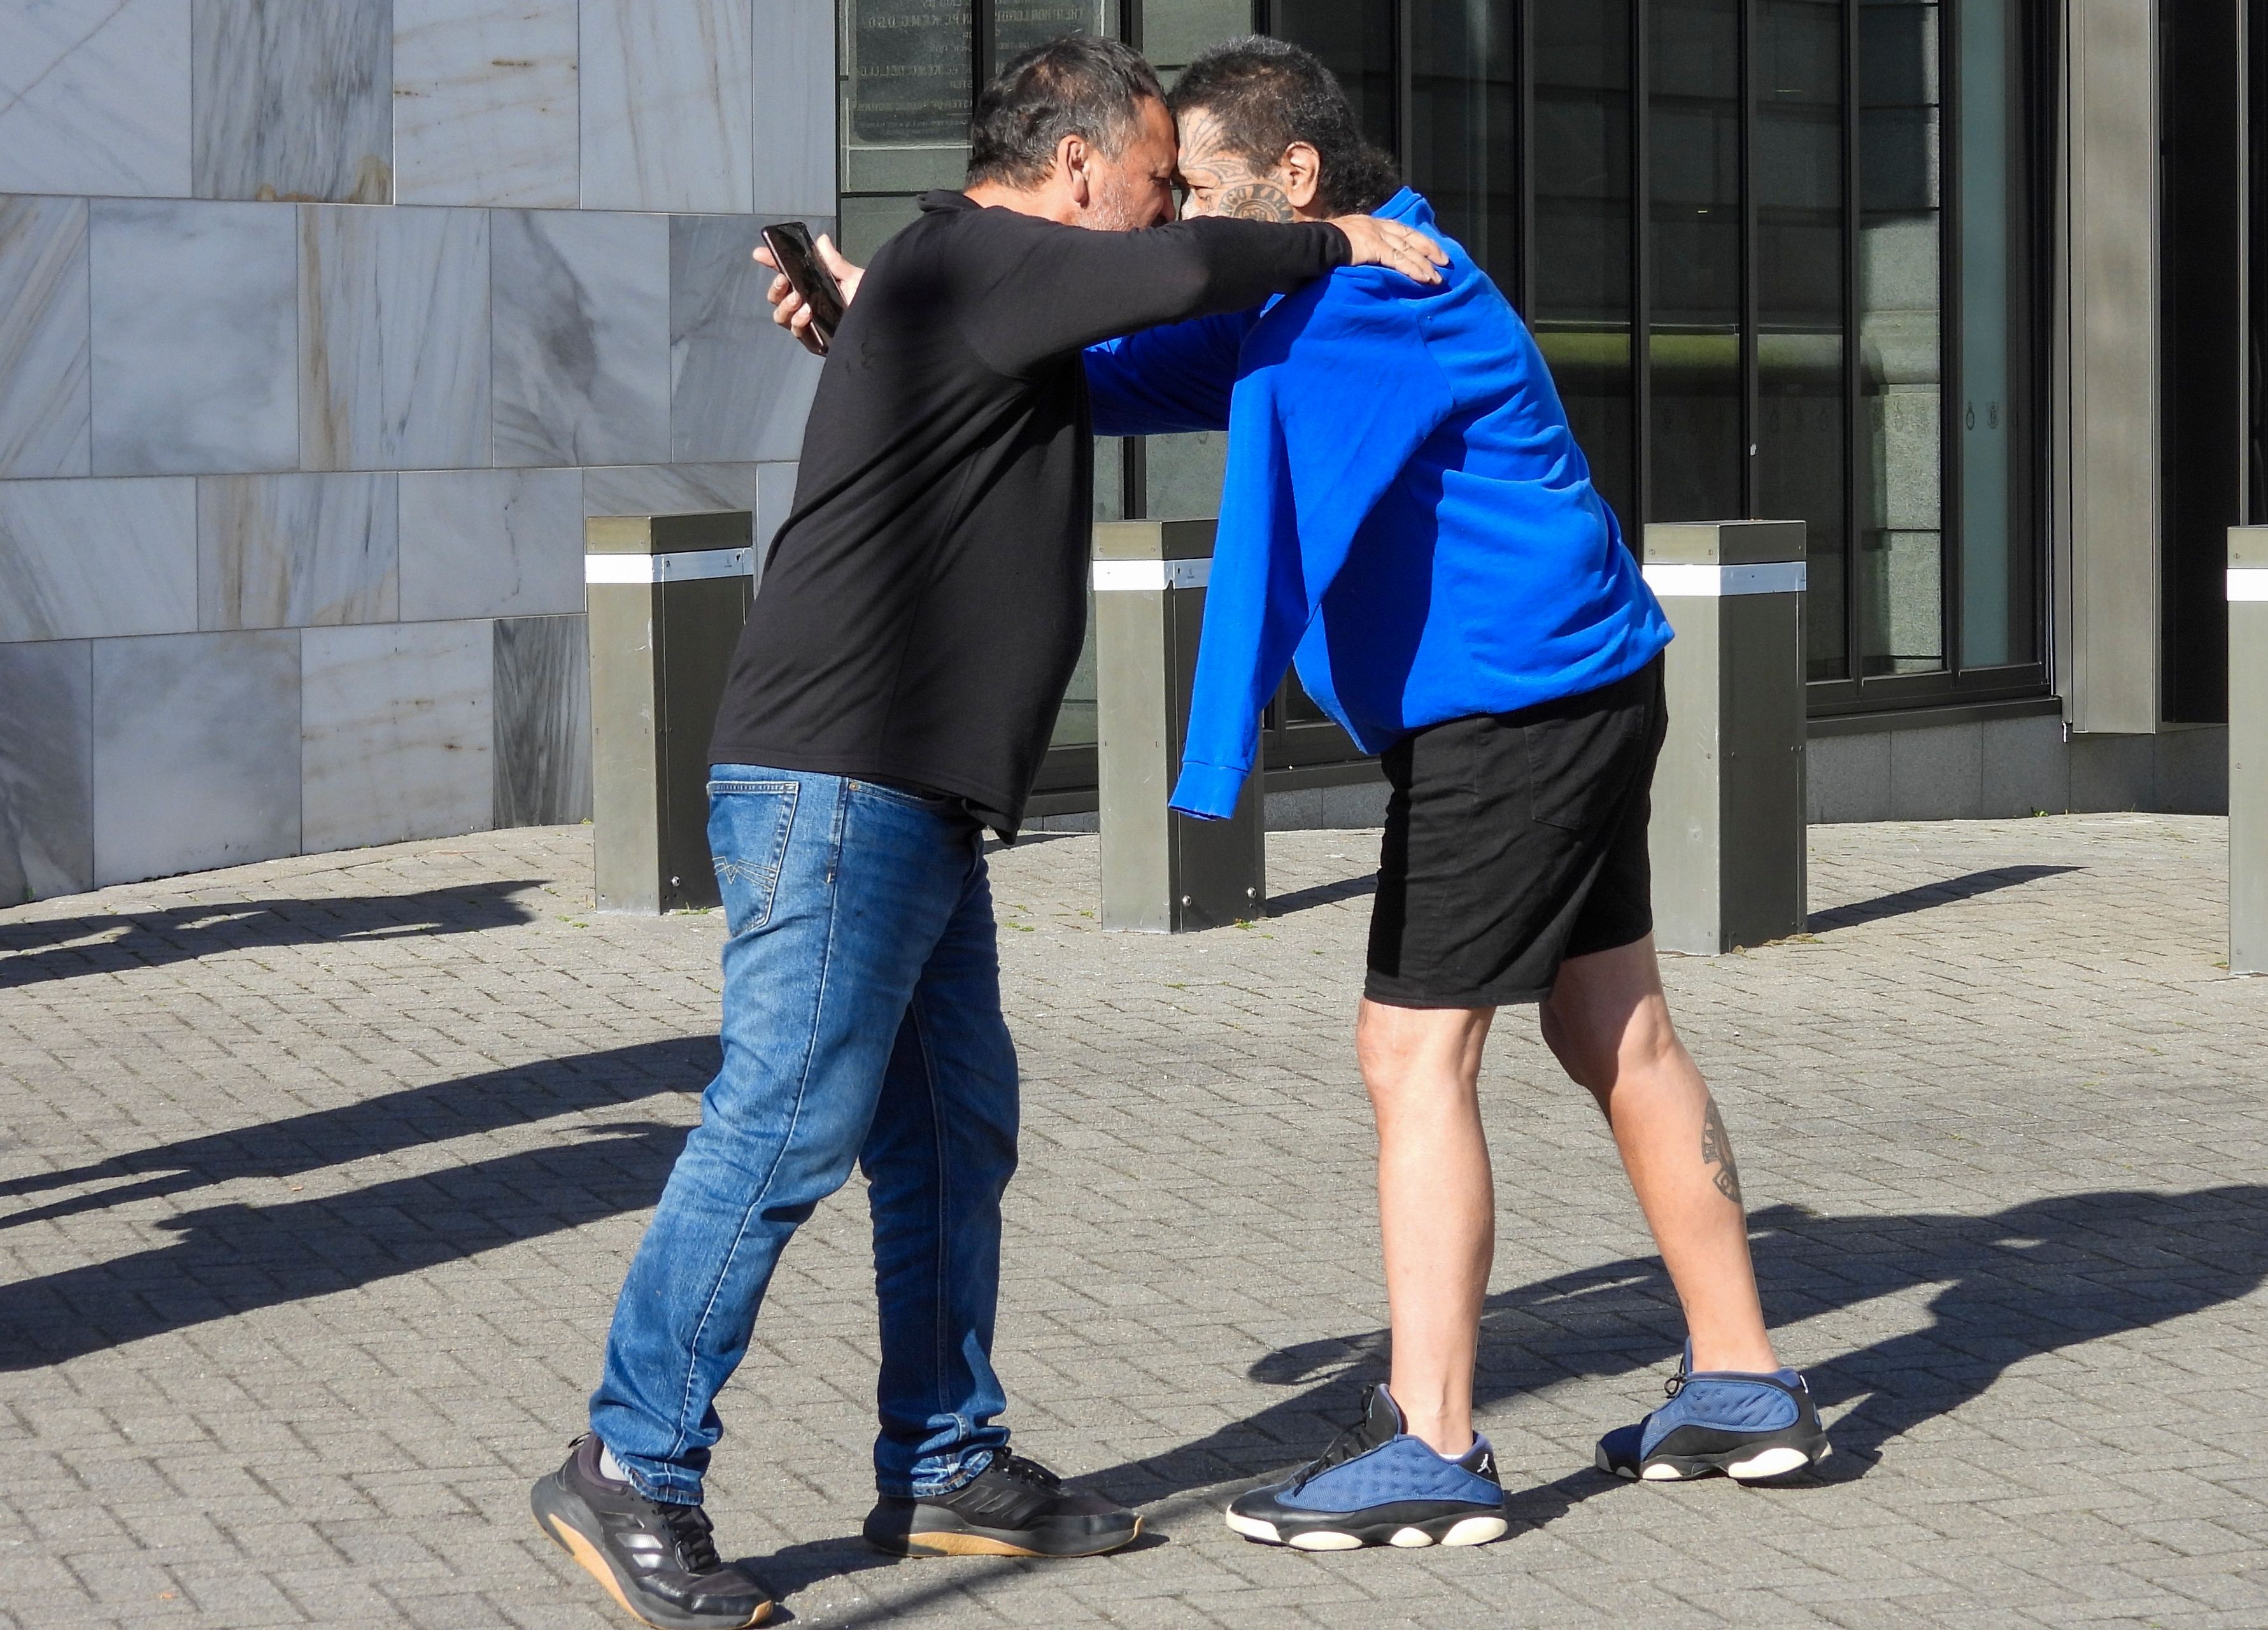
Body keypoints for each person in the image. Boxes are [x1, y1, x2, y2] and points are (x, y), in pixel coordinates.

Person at [528, 35, 1448, 1630]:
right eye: (1157, 181)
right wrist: (1336, 235)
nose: (1169, 209)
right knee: (782, 1122)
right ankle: (631, 1463)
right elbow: (1178, 282)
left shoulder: (957, 282)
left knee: (957, 1128)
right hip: (839, 783)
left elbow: (1045, 320)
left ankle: (946, 1460)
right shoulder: (980, 255)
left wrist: (855, 292)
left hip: (912, 799)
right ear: (1078, 163)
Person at [1079, 36, 1834, 1550]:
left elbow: (1162, 369)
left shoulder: (1364, 295)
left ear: (1293, 182)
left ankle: (1432, 1442)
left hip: (1515, 715)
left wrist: (970, 302)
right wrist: (891, 328)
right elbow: (1132, 365)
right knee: (1613, 1023)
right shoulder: (1333, 280)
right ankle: (1744, 1378)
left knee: (1409, 1055)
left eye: (1199, 193)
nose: (1175, 228)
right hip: (1582, 678)